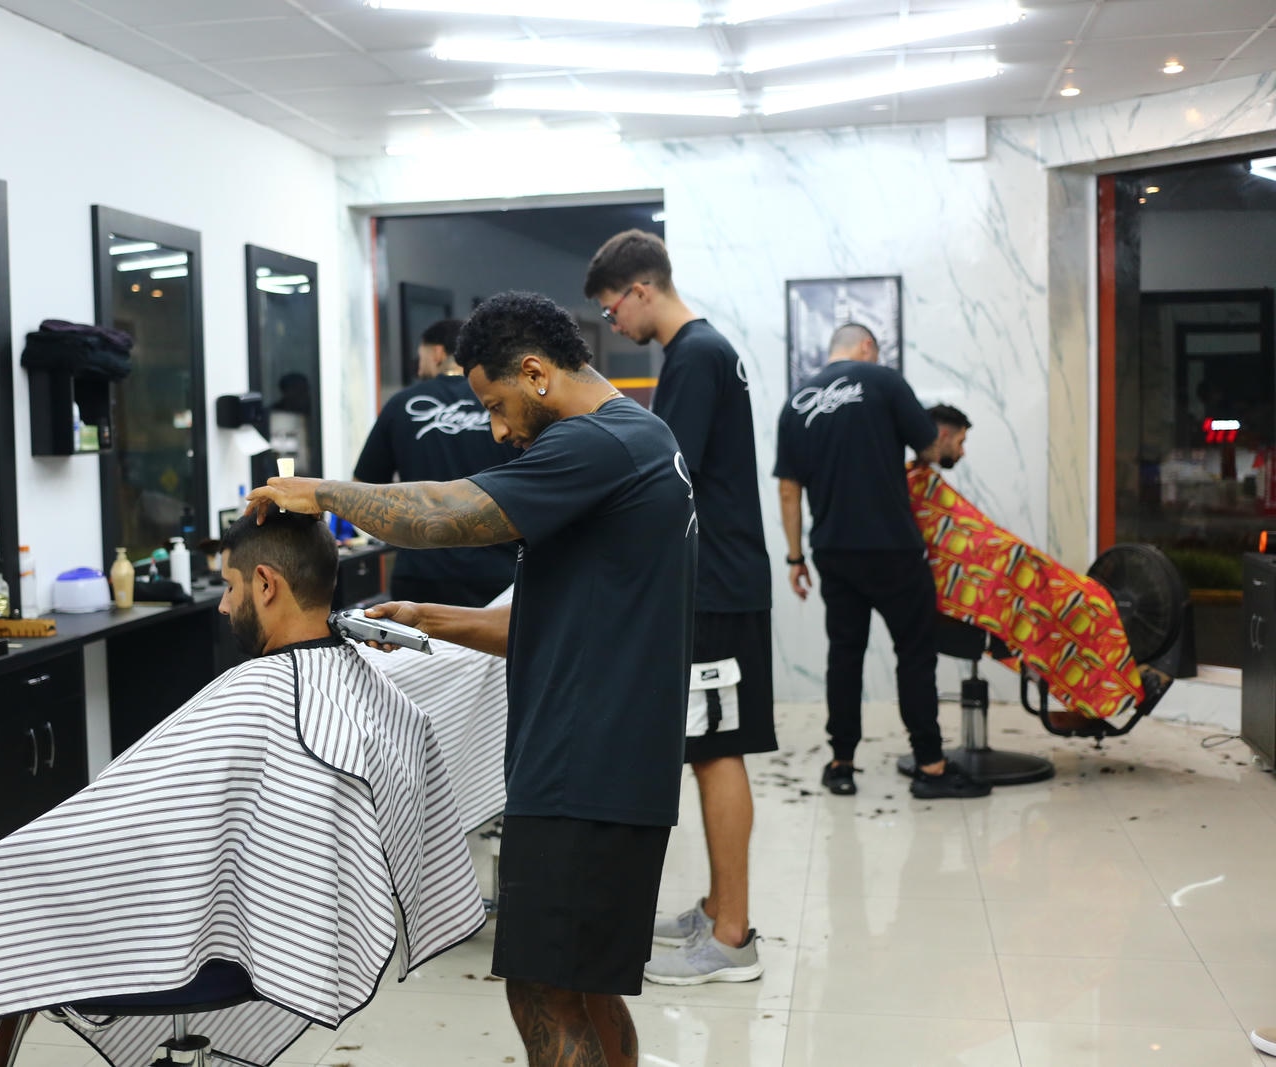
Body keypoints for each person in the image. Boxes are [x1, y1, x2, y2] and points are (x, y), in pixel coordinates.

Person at [0, 511, 485, 1067]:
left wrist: (14, 872)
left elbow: (107, 826)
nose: (223, 605)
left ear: (267, 584)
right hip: (245, 928)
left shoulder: (262, 696)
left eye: (230, 587)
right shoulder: (353, 679)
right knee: (0, 932)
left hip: (177, 938)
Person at [248, 290, 696, 1067]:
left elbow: (442, 512)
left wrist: (318, 493)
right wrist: (428, 617)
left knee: (542, 990)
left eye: (495, 405)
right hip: (615, 762)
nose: (496, 429)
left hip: (581, 771)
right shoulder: (641, 438)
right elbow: (568, 621)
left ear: (537, 373)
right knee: (587, 986)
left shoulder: (595, 443)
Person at [584, 229, 773, 986]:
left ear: (641, 289)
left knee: (716, 749)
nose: (616, 324)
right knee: (706, 747)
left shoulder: (694, 355)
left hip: (716, 583)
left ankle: (731, 937)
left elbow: (667, 476)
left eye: (613, 309)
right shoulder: (703, 349)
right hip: (720, 578)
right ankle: (718, 906)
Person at [773, 323, 990, 799]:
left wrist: (795, 558)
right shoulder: (885, 381)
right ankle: (930, 766)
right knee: (914, 655)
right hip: (893, 549)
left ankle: (841, 764)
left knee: (844, 657)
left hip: (833, 551)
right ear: (867, 346)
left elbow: (789, 490)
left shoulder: (796, 403)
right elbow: (929, 447)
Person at [909, 404, 1169, 728]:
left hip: (992, 582)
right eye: (960, 442)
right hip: (964, 598)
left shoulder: (920, 481)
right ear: (944, 434)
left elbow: (971, 537)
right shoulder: (915, 483)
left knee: (1085, 600)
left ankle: (1098, 697)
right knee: (1079, 607)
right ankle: (1098, 698)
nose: (962, 452)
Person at [354, 319, 518, 606]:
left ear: (438, 353)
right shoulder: (501, 402)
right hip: (497, 572)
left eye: (421, 357)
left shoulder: (401, 404)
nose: (419, 369)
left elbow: (362, 488)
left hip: (421, 572)